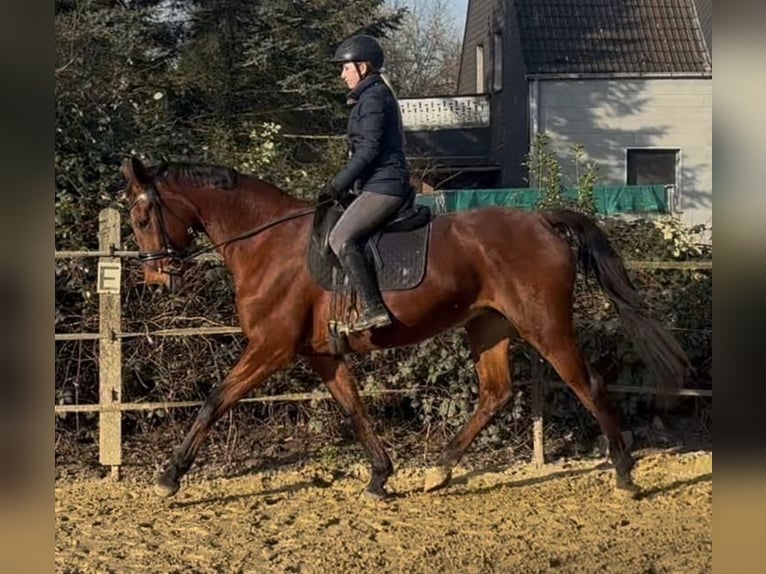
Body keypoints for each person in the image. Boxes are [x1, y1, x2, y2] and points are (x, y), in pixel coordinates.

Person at [324, 34, 411, 332]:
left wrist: (338, 183)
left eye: (345, 68)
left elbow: (370, 149)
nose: (342, 74)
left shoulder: (373, 98)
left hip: (385, 184)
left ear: (362, 67)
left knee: (339, 238)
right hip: (375, 182)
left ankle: (374, 308)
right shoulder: (369, 96)